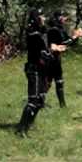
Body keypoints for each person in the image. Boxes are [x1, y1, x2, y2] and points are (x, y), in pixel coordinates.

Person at [16, 9, 66, 137]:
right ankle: (21, 129)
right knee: (34, 100)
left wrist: (55, 49)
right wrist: (54, 51)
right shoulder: (34, 34)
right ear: (36, 18)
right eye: (41, 16)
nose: (43, 18)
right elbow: (43, 52)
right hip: (34, 69)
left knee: (40, 100)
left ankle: (28, 124)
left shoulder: (40, 32)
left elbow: (47, 48)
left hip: (41, 69)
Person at [46, 11, 82, 107]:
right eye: (62, 17)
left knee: (58, 81)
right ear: (57, 18)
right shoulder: (54, 30)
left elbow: (68, 42)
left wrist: (76, 36)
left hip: (57, 57)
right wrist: (75, 36)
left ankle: (62, 105)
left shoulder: (60, 29)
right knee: (49, 81)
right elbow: (62, 43)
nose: (64, 19)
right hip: (51, 58)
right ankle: (38, 100)